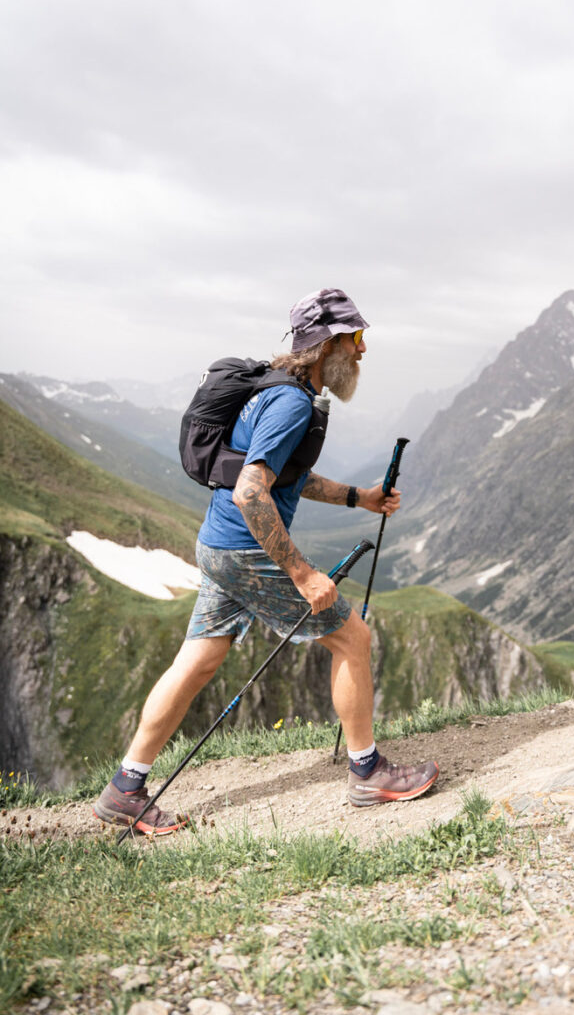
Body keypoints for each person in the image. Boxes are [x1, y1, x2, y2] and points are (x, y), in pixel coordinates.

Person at [94, 288, 439, 835]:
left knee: (196, 662)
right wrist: (303, 575)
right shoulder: (293, 402)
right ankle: (369, 773)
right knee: (353, 638)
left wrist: (360, 497)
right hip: (244, 552)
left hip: (217, 545)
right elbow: (251, 493)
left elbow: (283, 477)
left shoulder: (275, 390)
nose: (364, 350)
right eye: (357, 337)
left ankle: (125, 788)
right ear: (329, 344)